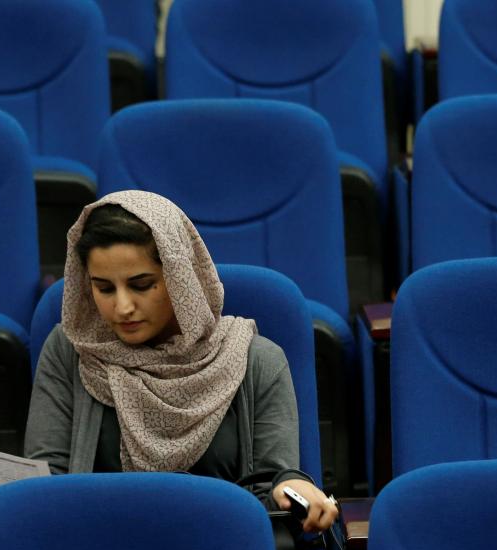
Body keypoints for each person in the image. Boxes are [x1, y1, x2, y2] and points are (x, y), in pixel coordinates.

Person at [25, 189, 338, 531]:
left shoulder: (257, 361)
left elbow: (275, 487)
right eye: (104, 288)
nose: (123, 307)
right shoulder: (71, 350)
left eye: (141, 285)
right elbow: (45, 485)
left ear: (180, 279)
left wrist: (291, 487)